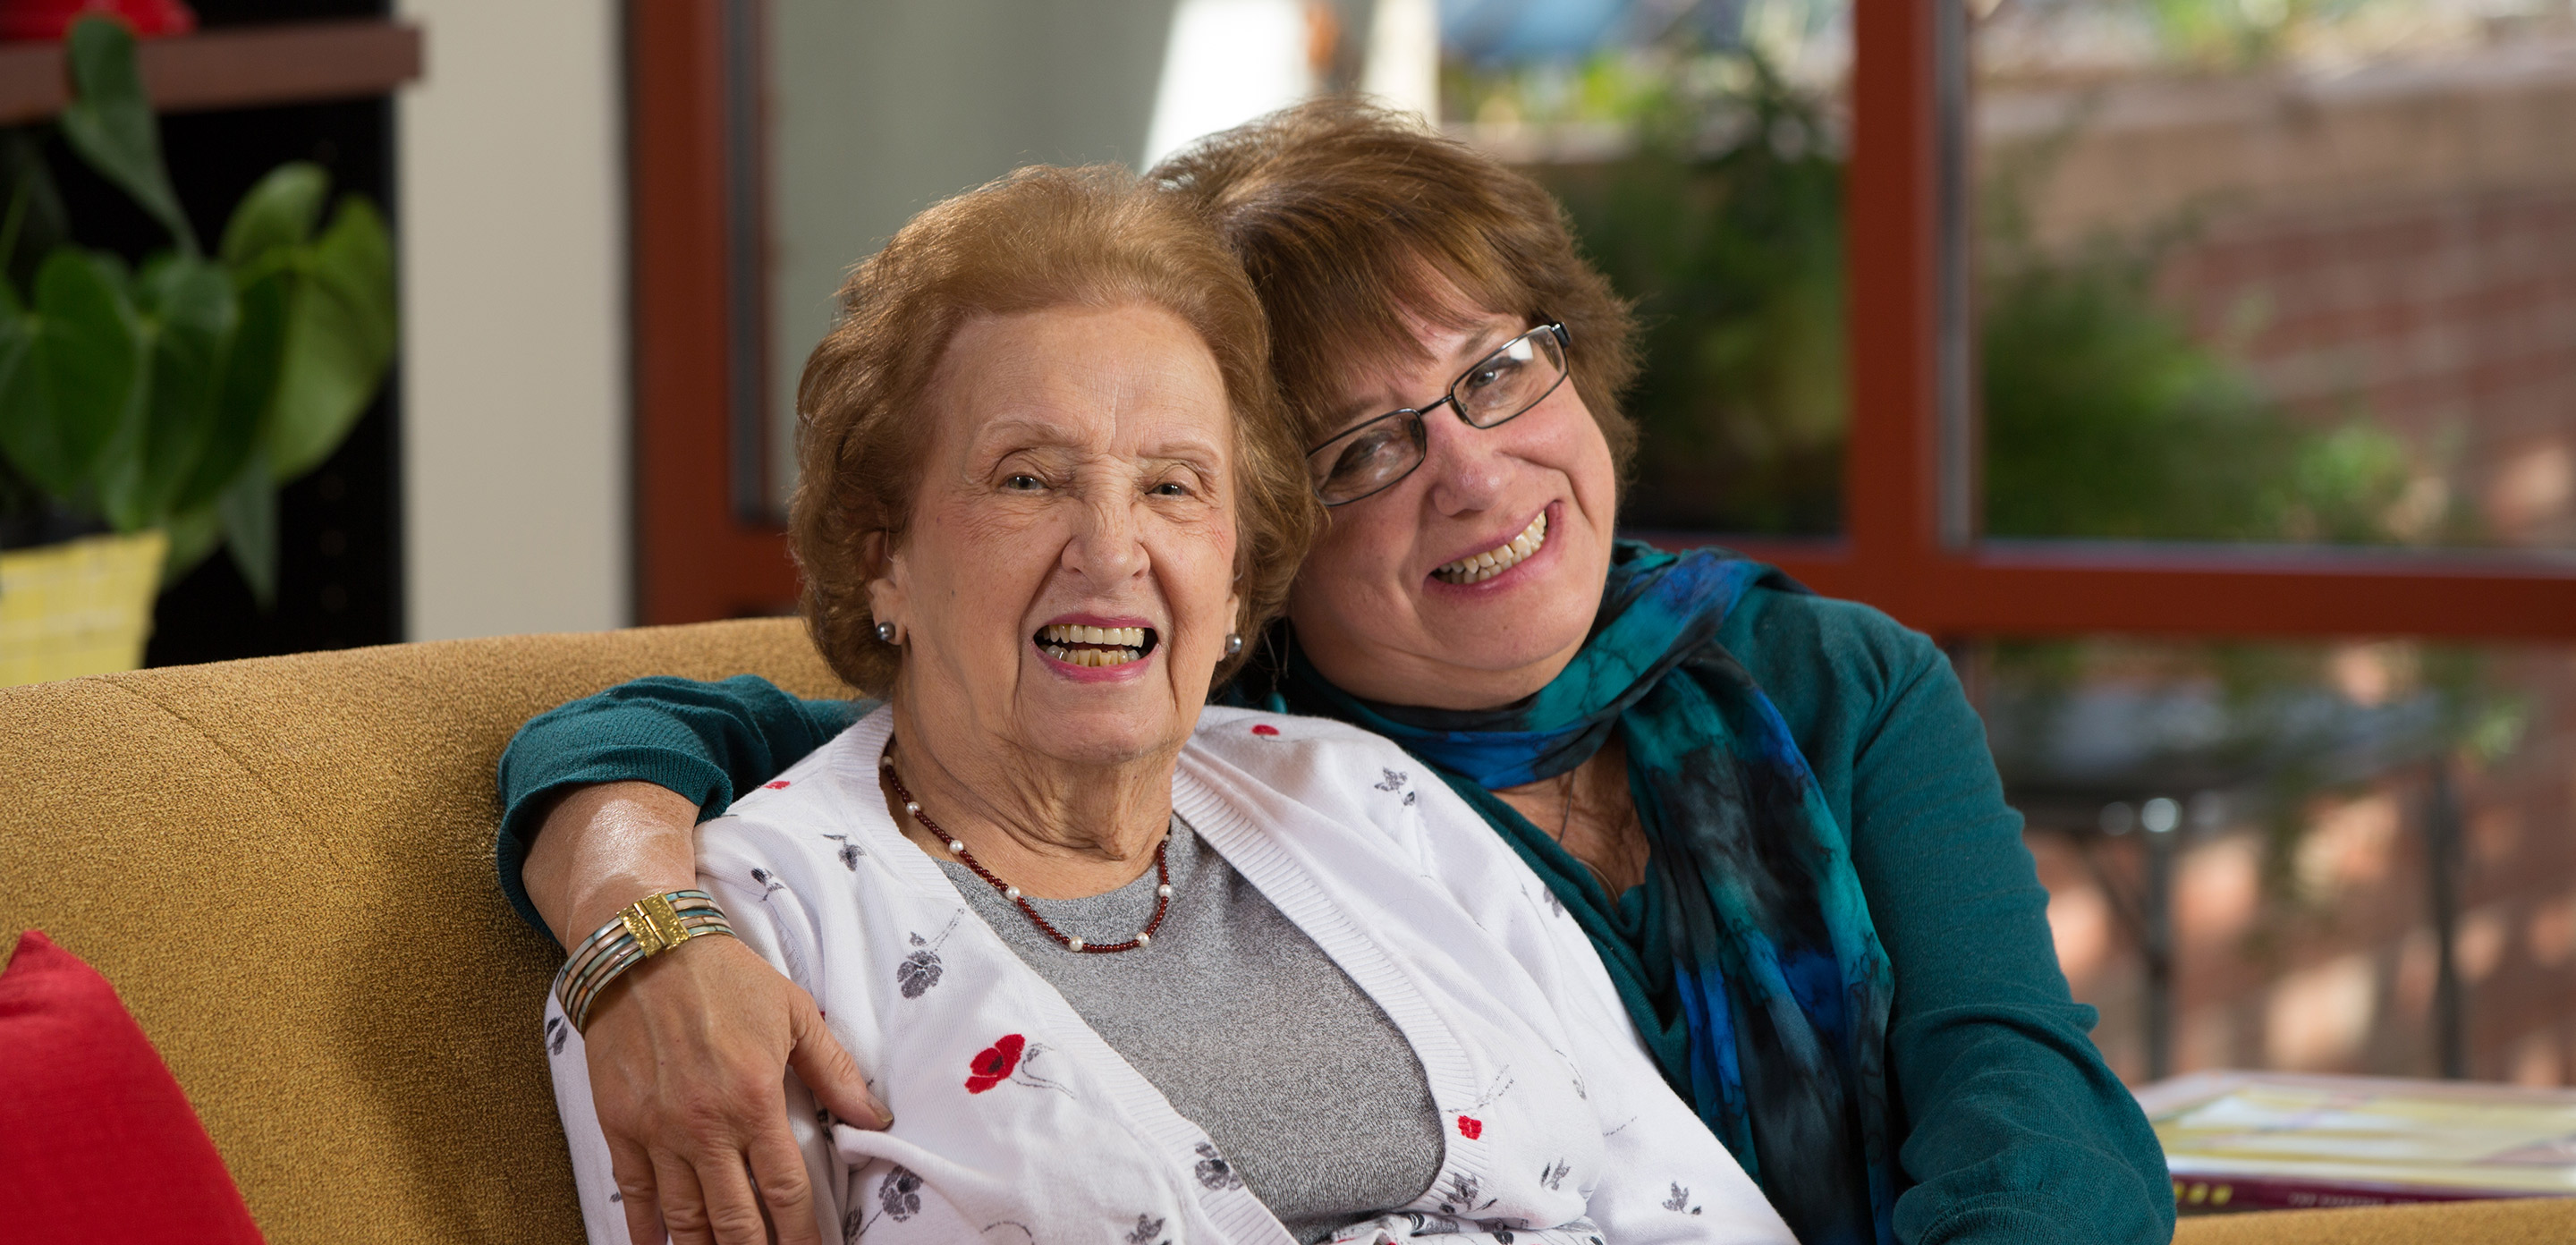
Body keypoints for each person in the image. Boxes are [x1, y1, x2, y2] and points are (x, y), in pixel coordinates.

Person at [505, 102, 2173, 1245]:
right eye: (1368, 447)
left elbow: (2015, 1082)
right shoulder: (1225, 748)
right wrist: (641, 915)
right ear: (1274, 554)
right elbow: (782, 748)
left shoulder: (1802, 681)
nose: (1476, 473)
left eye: (1499, 373)